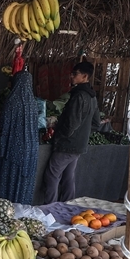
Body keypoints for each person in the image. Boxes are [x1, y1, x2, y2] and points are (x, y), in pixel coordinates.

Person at [43, 61, 98, 203]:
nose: (71, 76)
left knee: (52, 175)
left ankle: (50, 208)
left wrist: (59, 134)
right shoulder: (92, 96)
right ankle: (67, 206)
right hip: (79, 145)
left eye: (75, 74)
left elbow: (71, 125)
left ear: (85, 76)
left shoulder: (79, 96)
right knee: (68, 177)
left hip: (67, 145)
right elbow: (96, 123)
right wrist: (82, 134)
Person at [0, 67, 40, 205]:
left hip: (14, 150)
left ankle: (6, 208)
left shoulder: (12, 102)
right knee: (24, 181)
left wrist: (1, 149)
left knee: (10, 178)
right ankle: (22, 208)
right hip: (31, 150)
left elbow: (4, 127)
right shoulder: (33, 103)